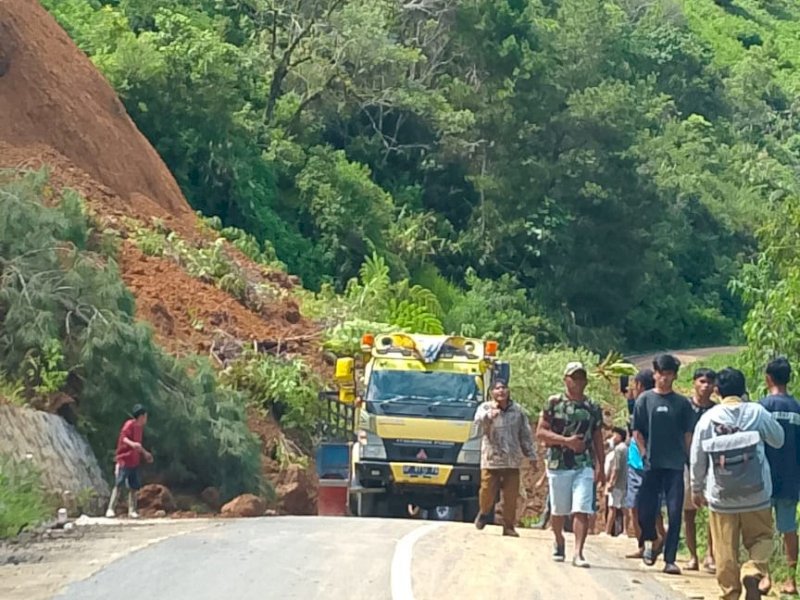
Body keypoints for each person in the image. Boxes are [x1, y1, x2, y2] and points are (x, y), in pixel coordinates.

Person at [691, 367, 784, 600]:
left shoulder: (708, 418)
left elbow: (697, 457)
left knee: (724, 549)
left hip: (721, 497)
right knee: (762, 538)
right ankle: (752, 570)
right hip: (757, 494)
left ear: (717, 390)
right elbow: (778, 439)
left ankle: (730, 593)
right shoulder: (757, 412)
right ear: (743, 390)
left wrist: (696, 488)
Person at [537, 362, 605, 567]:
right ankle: (559, 540)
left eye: (581, 378)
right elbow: (541, 432)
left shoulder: (592, 407)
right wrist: (566, 441)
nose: (578, 382)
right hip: (558, 463)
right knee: (559, 511)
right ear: (565, 380)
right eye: (574, 378)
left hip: (583, 463)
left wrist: (600, 466)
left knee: (581, 508)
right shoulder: (554, 403)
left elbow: (597, 436)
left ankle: (578, 552)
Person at [633, 354, 693, 575]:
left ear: (675, 376)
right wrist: (643, 453)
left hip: (675, 465)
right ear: (655, 374)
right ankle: (652, 539)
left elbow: (688, 434)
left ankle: (670, 559)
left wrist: (690, 460)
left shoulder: (682, 404)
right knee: (645, 510)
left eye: (669, 374)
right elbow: (637, 431)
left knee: (675, 512)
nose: (664, 378)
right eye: (661, 374)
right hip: (652, 463)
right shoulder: (644, 400)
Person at [473, 378, 536, 537]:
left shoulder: (518, 411)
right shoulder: (485, 408)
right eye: (497, 388)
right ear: (491, 392)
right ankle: (484, 512)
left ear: (508, 391)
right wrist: (489, 416)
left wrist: (531, 455)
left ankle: (508, 526)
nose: (501, 391)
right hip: (491, 459)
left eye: (503, 388)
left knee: (511, 497)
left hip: (512, 460)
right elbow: (477, 424)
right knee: (486, 491)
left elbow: (525, 434)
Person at [759, 357, 800, 595]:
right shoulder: (797, 407)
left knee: (763, 530)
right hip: (791, 478)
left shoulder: (762, 407)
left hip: (765, 478)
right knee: (789, 528)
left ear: (768, 379)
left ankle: (766, 577)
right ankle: (791, 580)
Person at [624, 369, 666, 558]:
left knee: (637, 507)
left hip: (641, 462)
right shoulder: (644, 404)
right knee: (651, 508)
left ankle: (651, 543)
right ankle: (650, 543)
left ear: (639, 385)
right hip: (642, 462)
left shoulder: (643, 405)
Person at [684, 368, 717, 573]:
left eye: (709, 382)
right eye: (702, 381)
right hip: (687, 464)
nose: (705, 386)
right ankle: (692, 556)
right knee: (689, 512)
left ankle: (710, 554)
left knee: (713, 511)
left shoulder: (716, 410)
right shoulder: (685, 407)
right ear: (694, 382)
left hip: (713, 467)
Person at [105, 404, 153, 518]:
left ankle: (132, 510)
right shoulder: (129, 424)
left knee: (134, 486)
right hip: (124, 460)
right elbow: (123, 438)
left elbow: (138, 445)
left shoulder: (139, 428)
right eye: (145, 416)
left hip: (134, 461)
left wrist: (145, 453)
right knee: (119, 484)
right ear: (141, 416)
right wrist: (132, 444)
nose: (146, 419)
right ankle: (110, 508)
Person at [605, 427, 628, 536]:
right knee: (624, 508)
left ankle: (607, 531)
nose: (613, 438)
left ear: (619, 436)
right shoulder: (626, 448)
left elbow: (616, 467)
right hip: (626, 482)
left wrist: (611, 482)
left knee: (612, 507)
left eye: (614, 435)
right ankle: (625, 531)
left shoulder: (618, 450)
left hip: (617, 483)